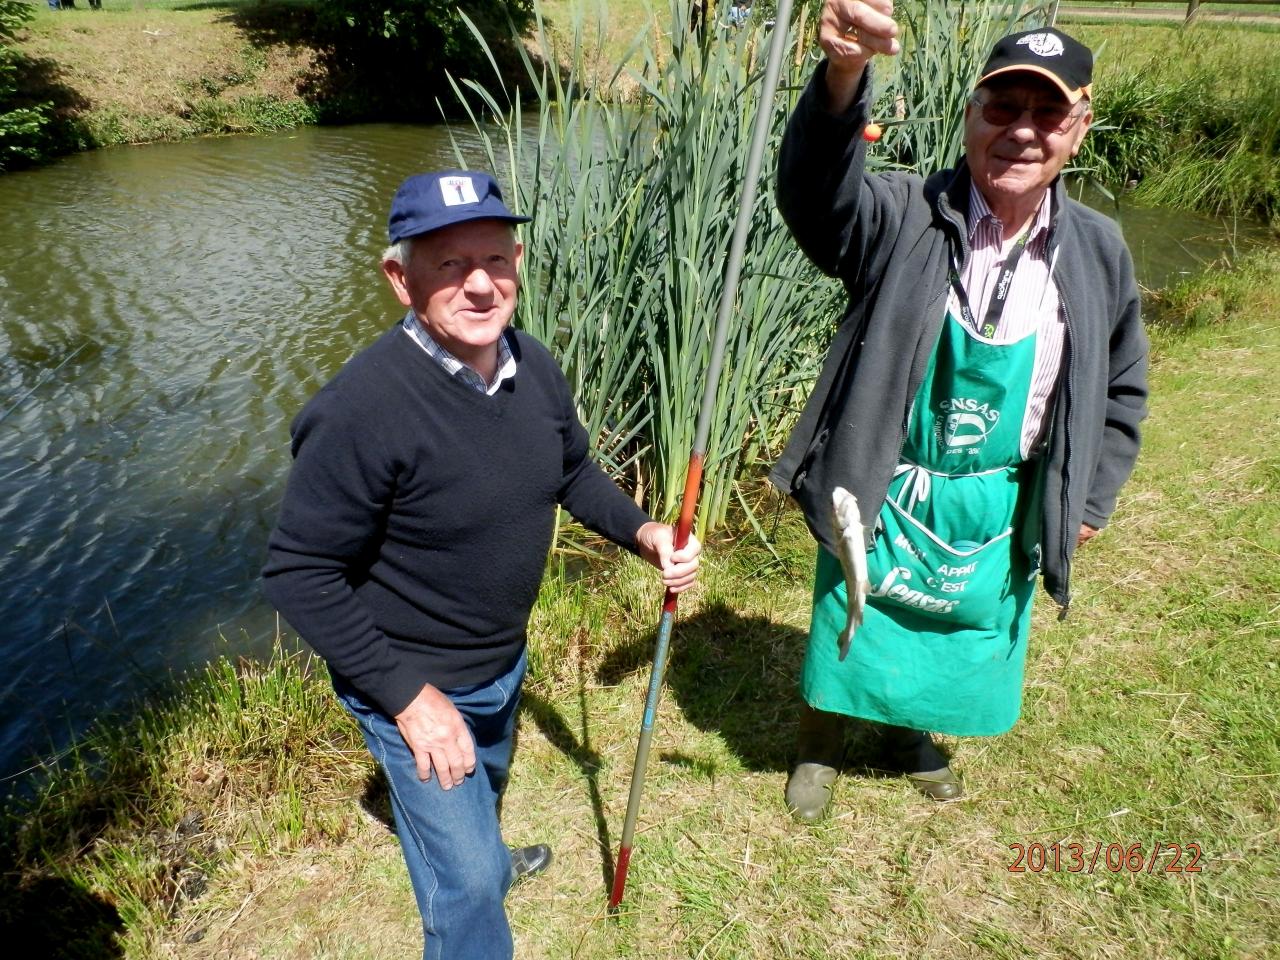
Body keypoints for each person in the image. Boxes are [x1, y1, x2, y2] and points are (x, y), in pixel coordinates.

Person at [262, 169, 702, 958]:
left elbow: (570, 472)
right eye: (449, 265)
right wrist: (408, 698)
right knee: (462, 889)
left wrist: (644, 533)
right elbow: (299, 572)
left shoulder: (530, 363)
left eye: (495, 260)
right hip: (413, 677)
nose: (479, 285)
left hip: (500, 658)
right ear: (400, 279)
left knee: (484, 800)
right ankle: (477, 880)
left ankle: (490, 858)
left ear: (520, 261)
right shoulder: (360, 410)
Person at [772, 1, 1148, 819]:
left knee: (960, 624)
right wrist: (843, 76)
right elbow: (815, 201)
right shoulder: (906, 213)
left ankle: (913, 732)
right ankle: (821, 741)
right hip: (887, 478)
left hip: (1001, 495)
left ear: (1080, 128)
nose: (1022, 130)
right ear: (970, 115)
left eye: (1048, 112)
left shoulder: (1098, 249)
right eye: (1003, 107)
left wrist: (1089, 497)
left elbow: (1123, 388)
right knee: (853, 610)